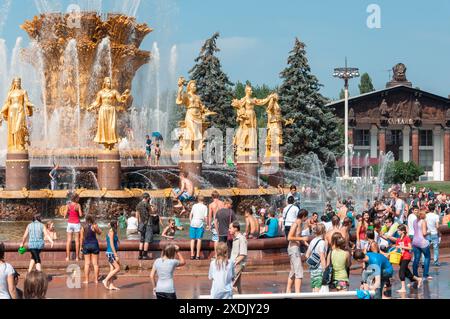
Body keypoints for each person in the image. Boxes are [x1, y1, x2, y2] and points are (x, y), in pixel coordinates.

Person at [286, 210, 309, 294]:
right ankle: (297, 293)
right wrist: (302, 239)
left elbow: (297, 236)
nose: (307, 218)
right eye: (306, 216)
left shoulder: (300, 224)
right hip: (293, 249)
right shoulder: (295, 223)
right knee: (299, 271)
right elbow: (289, 237)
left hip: (295, 248)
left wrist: (306, 244)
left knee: (293, 270)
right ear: (303, 216)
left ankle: (288, 291)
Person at [395, 225, 422, 293]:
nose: (397, 231)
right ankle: (418, 279)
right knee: (407, 272)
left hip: (406, 257)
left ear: (403, 231)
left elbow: (410, 248)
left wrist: (402, 246)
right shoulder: (398, 239)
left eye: (398, 230)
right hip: (400, 257)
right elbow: (396, 249)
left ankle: (403, 288)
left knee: (401, 271)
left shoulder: (407, 238)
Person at [305, 224, 327, 292]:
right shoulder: (322, 242)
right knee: (318, 287)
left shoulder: (312, 241)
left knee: (314, 287)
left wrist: (313, 260)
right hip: (319, 269)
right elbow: (322, 257)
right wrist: (325, 270)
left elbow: (307, 255)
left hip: (312, 268)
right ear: (324, 232)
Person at [80, 215, 102, 284]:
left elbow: (81, 238)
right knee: (95, 264)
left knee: (87, 264)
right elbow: (100, 233)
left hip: (86, 245)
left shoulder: (83, 226)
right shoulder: (94, 225)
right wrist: (96, 229)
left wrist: (81, 247)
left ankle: (86, 280)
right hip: (94, 245)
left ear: (86, 220)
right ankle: (96, 280)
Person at [412, 211, 432, 280]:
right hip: (422, 242)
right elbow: (424, 233)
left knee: (416, 259)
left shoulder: (414, 221)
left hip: (415, 241)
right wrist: (429, 232)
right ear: (423, 215)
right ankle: (425, 275)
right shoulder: (423, 221)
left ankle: (415, 275)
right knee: (427, 257)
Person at [229, 221, 248, 294]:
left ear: (236, 229)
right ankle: (240, 296)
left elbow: (243, 254)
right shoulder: (235, 238)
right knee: (237, 284)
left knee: (230, 283)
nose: (229, 229)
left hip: (238, 265)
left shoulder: (241, 238)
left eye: (230, 228)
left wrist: (233, 263)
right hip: (235, 264)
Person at [63, 193, 83, 261]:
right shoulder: (78, 205)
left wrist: (68, 212)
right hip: (76, 223)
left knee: (68, 240)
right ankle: (77, 257)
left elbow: (64, 215)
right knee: (77, 240)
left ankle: (67, 257)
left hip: (70, 223)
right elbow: (80, 215)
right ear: (76, 198)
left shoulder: (68, 205)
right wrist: (78, 210)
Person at [103, 221, 120, 291]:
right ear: (115, 224)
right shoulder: (111, 232)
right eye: (117, 223)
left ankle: (111, 285)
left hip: (111, 253)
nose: (118, 224)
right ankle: (105, 280)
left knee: (112, 269)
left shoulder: (113, 231)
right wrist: (115, 254)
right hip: (111, 253)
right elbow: (111, 244)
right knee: (118, 268)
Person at [189, 195, 208, 260]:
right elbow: (205, 217)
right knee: (199, 239)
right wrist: (207, 224)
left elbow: (191, 214)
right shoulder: (205, 207)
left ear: (198, 200)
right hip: (200, 222)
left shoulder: (194, 205)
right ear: (203, 200)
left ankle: (192, 255)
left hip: (193, 222)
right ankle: (197, 255)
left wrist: (190, 221)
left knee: (192, 239)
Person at [136, 193, 152, 260]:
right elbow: (151, 212)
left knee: (141, 240)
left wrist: (138, 224)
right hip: (148, 223)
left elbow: (137, 215)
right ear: (147, 198)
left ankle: (140, 255)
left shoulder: (138, 204)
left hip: (141, 224)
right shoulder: (147, 204)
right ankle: (145, 255)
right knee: (147, 240)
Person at [208, 190, 225, 255]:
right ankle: (222, 253)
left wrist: (209, 225)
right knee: (222, 237)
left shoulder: (211, 205)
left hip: (215, 221)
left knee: (216, 239)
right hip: (222, 221)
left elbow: (210, 216)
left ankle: (216, 254)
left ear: (212, 197)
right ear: (218, 196)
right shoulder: (222, 203)